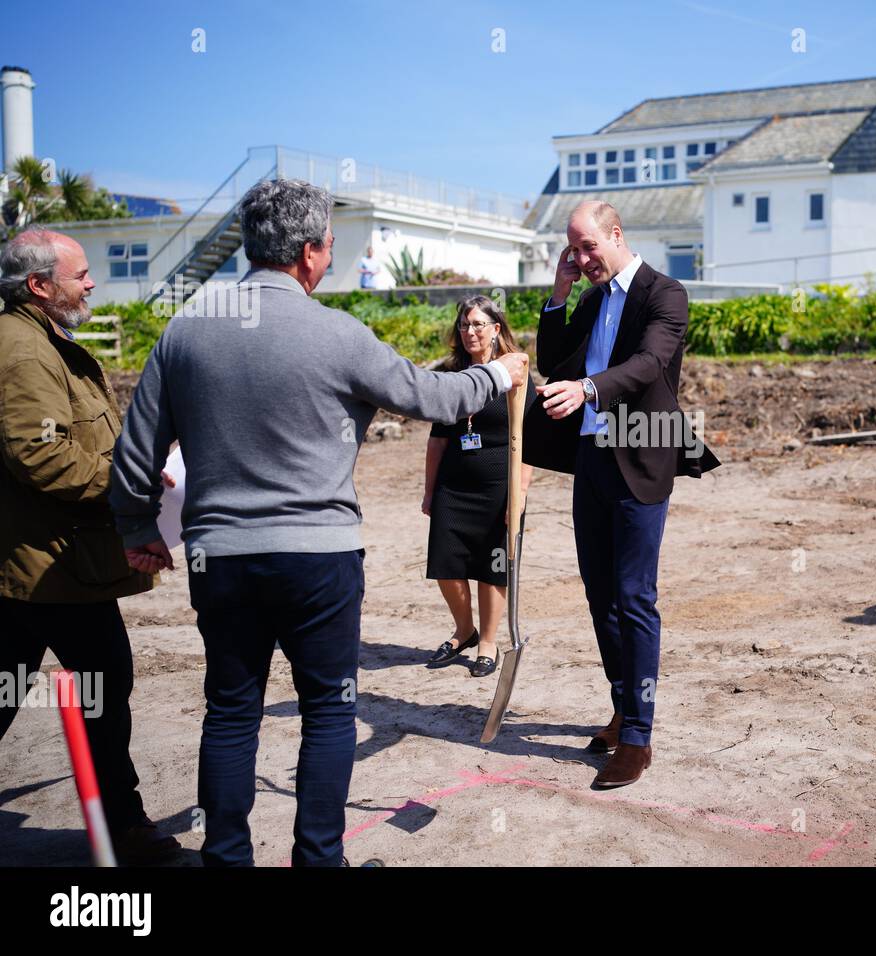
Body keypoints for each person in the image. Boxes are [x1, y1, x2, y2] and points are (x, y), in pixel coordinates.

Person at [108, 179, 529, 866]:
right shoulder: (337, 333)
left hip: (222, 557)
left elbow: (134, 453)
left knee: (232, 711)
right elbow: (428, 396)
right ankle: (318, 858)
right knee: (330, 711)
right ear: (307, 253)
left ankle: (227, 857)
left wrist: (135, 529)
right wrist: (499, 377)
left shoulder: (185, 329)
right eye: (329, 246)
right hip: (318, 558)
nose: (329, 258)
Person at [523, 200, 719, 788]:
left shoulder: (666, 293)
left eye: (588, 248)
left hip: (641, 453)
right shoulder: (588, 296)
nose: (581, 260)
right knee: (600, 594)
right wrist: (558, 295)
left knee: (635, 596)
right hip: (592, 459)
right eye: (572, 251)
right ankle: (622, 705)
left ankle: (638, 737)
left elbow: (648, 364)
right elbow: (555, 358)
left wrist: (586, 388)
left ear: (616, 235)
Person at [0, 227, 180, 864]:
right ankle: (126, 827)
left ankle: (125, 822)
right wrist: (126, 483)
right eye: (79, 275)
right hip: (47, 566)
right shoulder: (23, 352)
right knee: (104, 683)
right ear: (39, 286)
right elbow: (38, 453)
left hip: (52, 564)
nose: (91, 283)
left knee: (81, 683)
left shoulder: (41, 339)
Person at [423, 295, 536, 677]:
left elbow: (529, 440)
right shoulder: (452, 377)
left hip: (499, 486)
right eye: (464, 325)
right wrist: (428, 491)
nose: (470, 332)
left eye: (477, 324)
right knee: (446, 562)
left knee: (492, 565)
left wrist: (518, 494)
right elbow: (437, 439)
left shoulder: (516, 373)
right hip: (453, 486)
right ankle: (464, 631)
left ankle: (487, 641)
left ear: (495, 329)